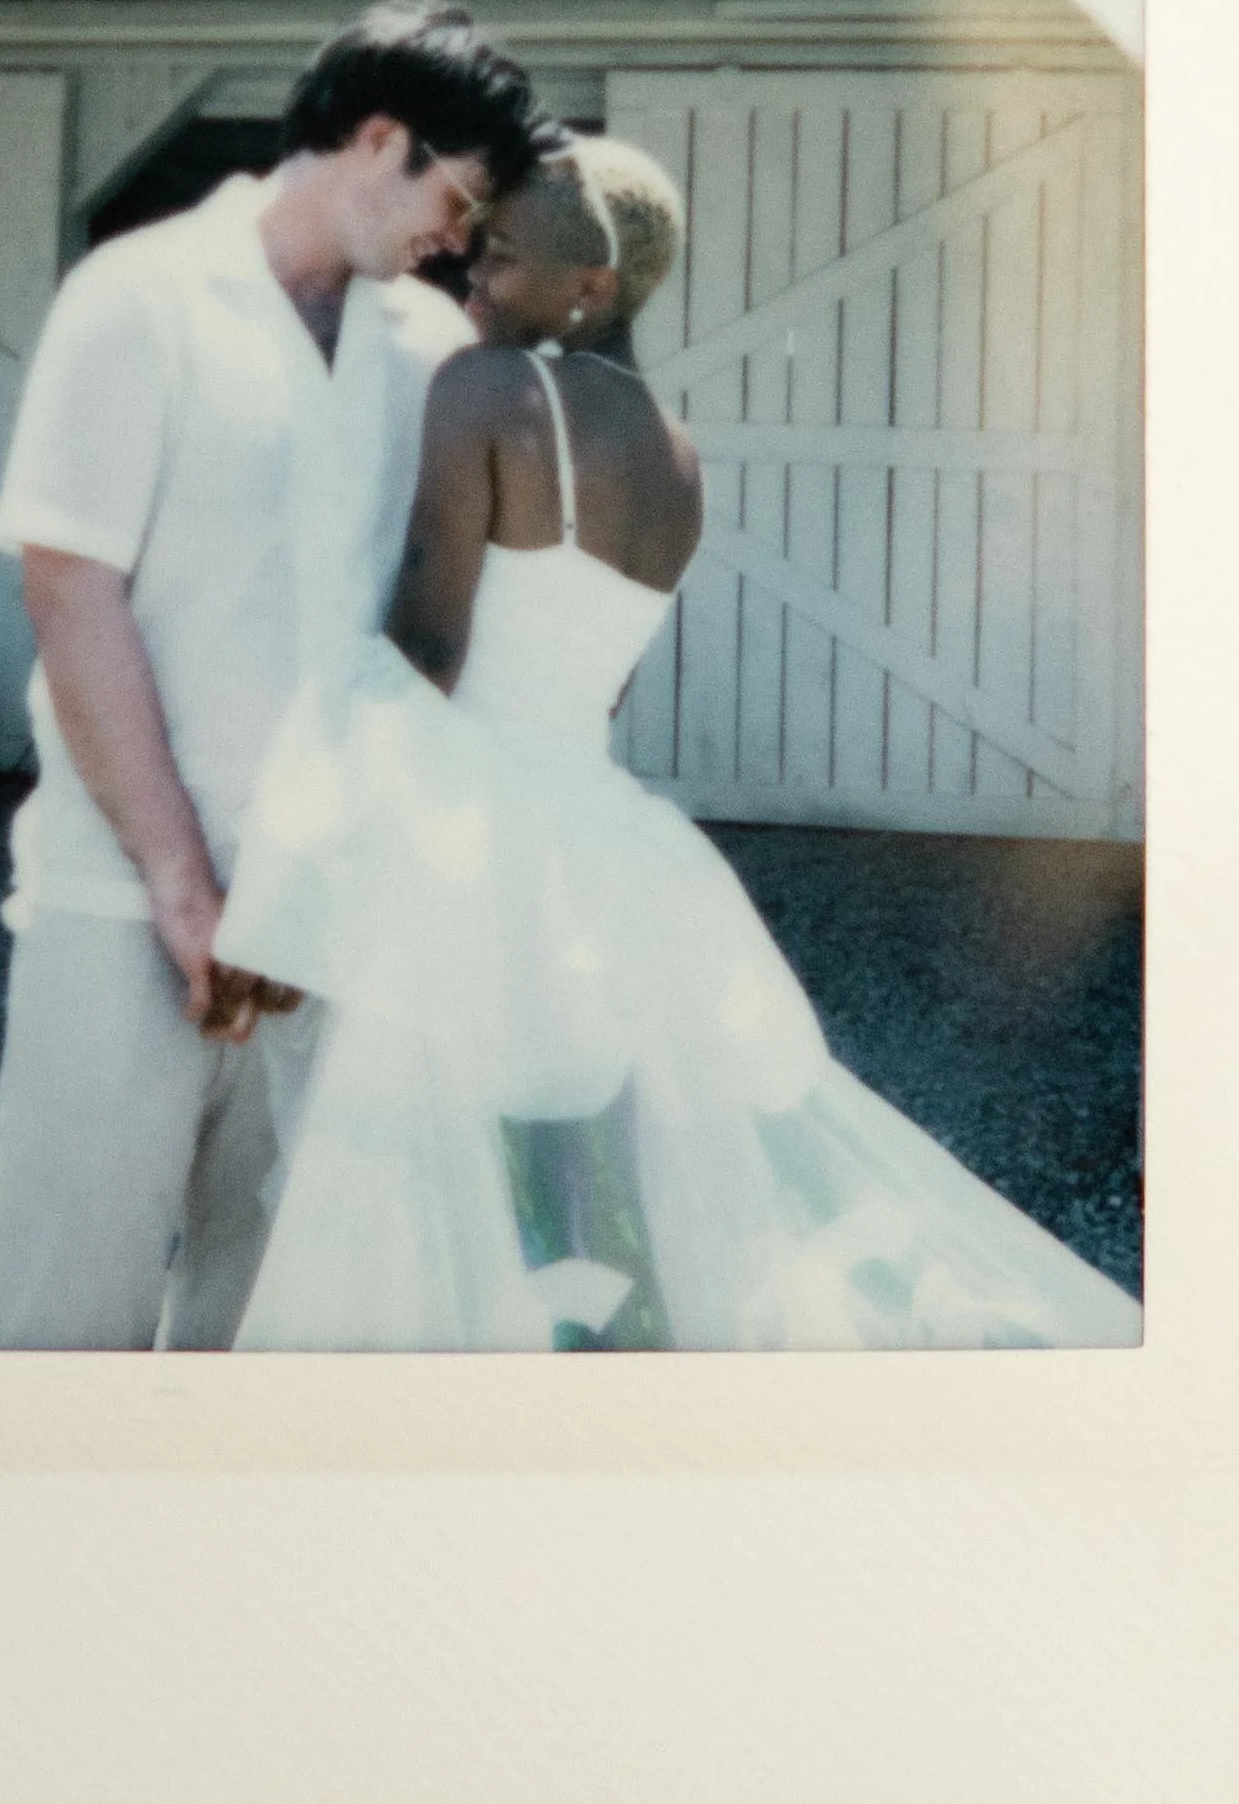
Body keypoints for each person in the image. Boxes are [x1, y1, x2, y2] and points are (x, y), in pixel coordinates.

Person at [216, 135, 1143, 1350]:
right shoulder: (675, 452)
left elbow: (427, 653)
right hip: (598, 843)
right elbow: (595, 693)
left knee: (436, 1182)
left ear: (589, 283)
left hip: (470, 833)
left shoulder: (487, 392)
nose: (473, 280)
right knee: (589, 1180)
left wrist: (309, 858)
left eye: (499, 257)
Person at [0, 0, 550, 1349]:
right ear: (376, 136)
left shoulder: (427, 349)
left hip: (320, 913)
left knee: (271, 1297)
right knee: (71, 1295)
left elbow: (431, 626)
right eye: (455, 198)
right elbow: (70, 589)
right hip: (120, 894)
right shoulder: (138, 295)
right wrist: (182, 881)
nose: (457, 242)